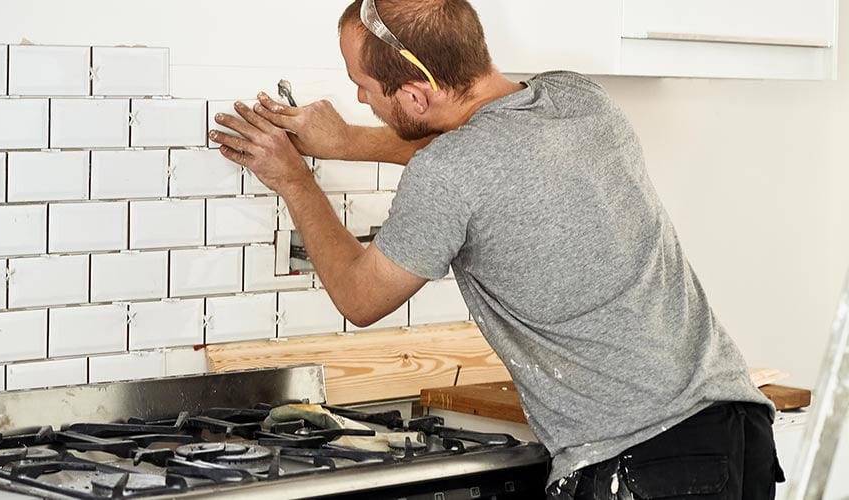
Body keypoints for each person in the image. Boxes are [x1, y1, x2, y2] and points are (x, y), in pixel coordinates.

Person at [209, 0, 784, 498]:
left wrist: (294, 180)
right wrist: (346, 143)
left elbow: (361, 299)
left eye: (362, 85)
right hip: (737, 426)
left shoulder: (450, 172)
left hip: (641, 460)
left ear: (414, 93)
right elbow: (480, 151)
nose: (358, 98)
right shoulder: (580, 98)